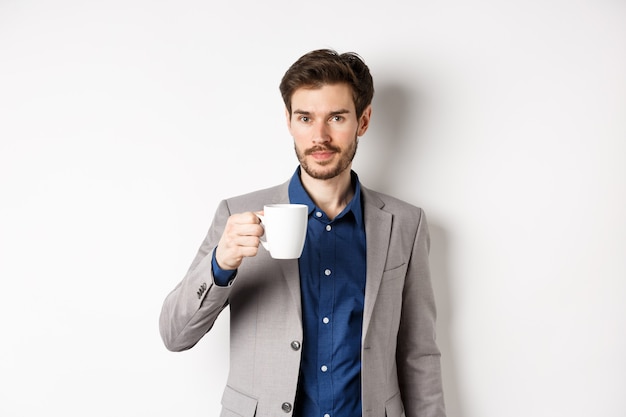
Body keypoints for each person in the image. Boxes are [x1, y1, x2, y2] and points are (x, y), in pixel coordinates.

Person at [159, 49, 446, 417]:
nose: (320, 136)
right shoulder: (237, 216)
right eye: (305, 118)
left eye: (337, 117)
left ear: (363, 120)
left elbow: (418, 353)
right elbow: (175, 335)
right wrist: (220, 263)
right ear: (289, 121)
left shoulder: (405, 223)